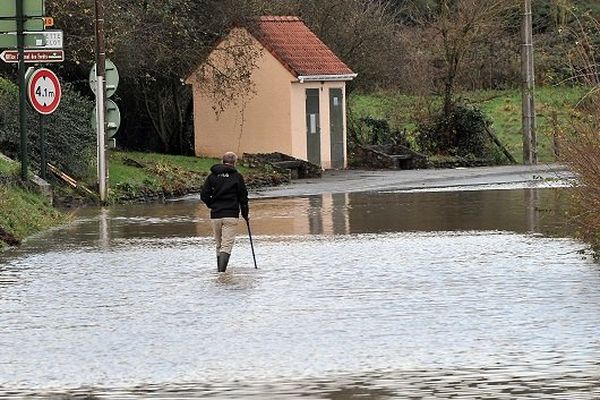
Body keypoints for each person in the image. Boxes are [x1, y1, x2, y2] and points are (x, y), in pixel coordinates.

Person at [200, 152, 249, 272]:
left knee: (219, 244)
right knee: (226, 245)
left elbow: (204, 195)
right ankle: (222, 273)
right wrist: (245, 215)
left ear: (222, 161)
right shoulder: (237, 176)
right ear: (235, 163)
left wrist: (212, 205)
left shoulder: (212, 176)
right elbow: (243, 198)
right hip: (231, 215)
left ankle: (219, 272)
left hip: (216, 215)